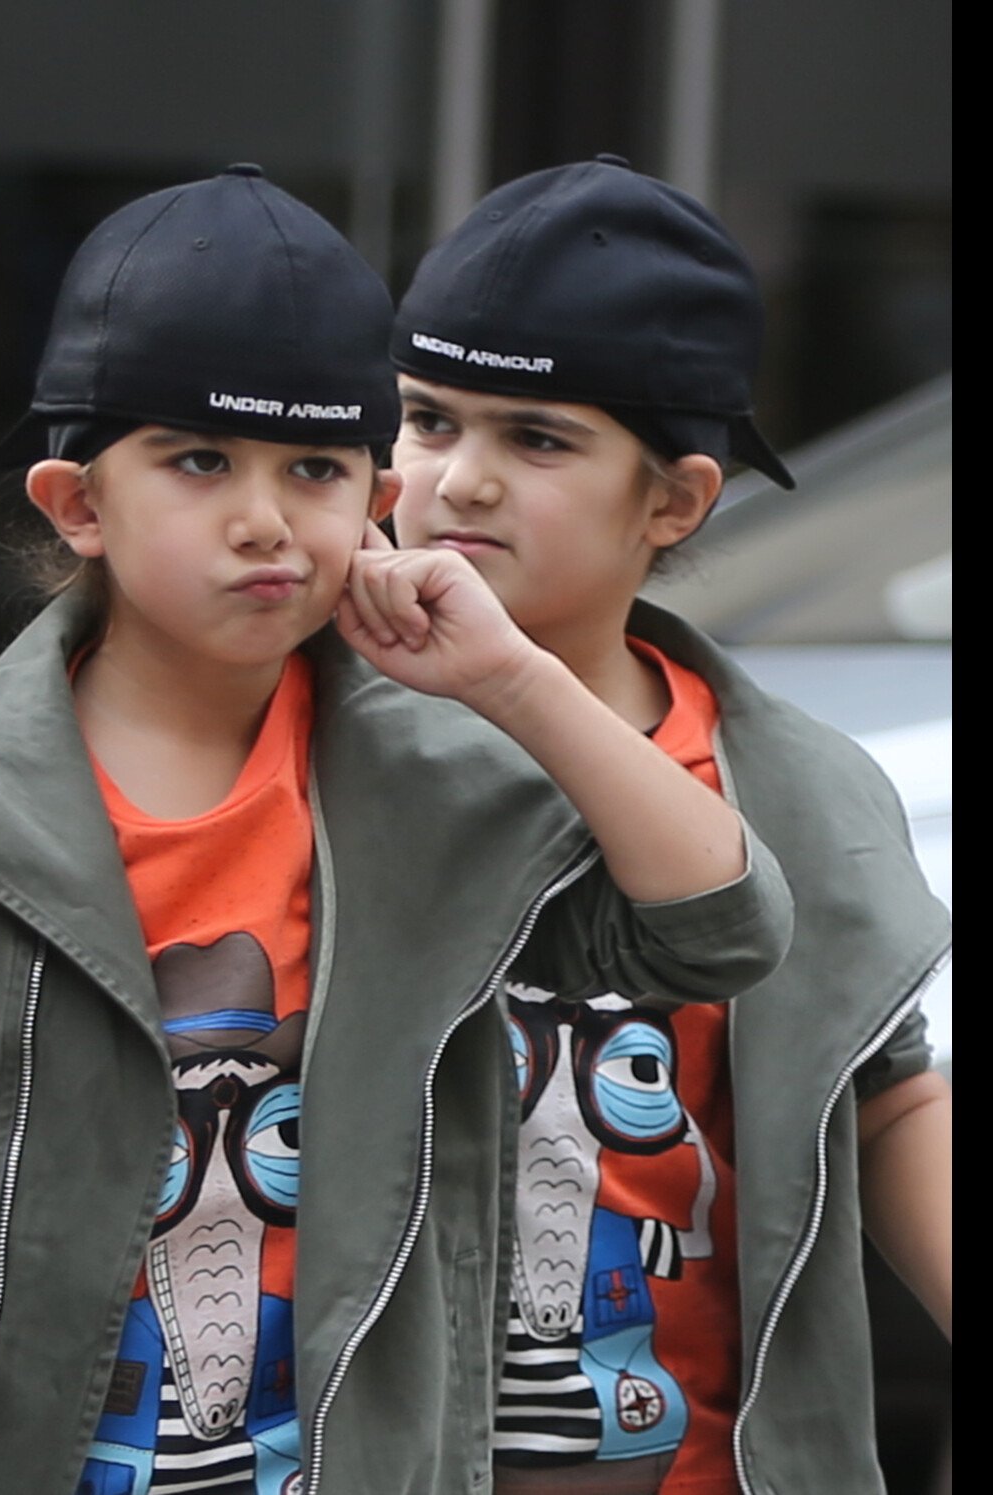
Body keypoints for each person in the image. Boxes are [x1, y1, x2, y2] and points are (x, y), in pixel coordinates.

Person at [0, 165, 793, 1495]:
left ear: (376, 493)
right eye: (199, 460)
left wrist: (513, 680)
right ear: (78, 505)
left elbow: (721, 929)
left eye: (318, 468)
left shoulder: (442, 789)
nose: (267, 519)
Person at [340, 155, 952, 1494]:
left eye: (537, 438)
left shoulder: (797, 786)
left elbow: (889, 1091)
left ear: (673, 500)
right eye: (429, 420)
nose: (460, 481)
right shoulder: (304, 734)